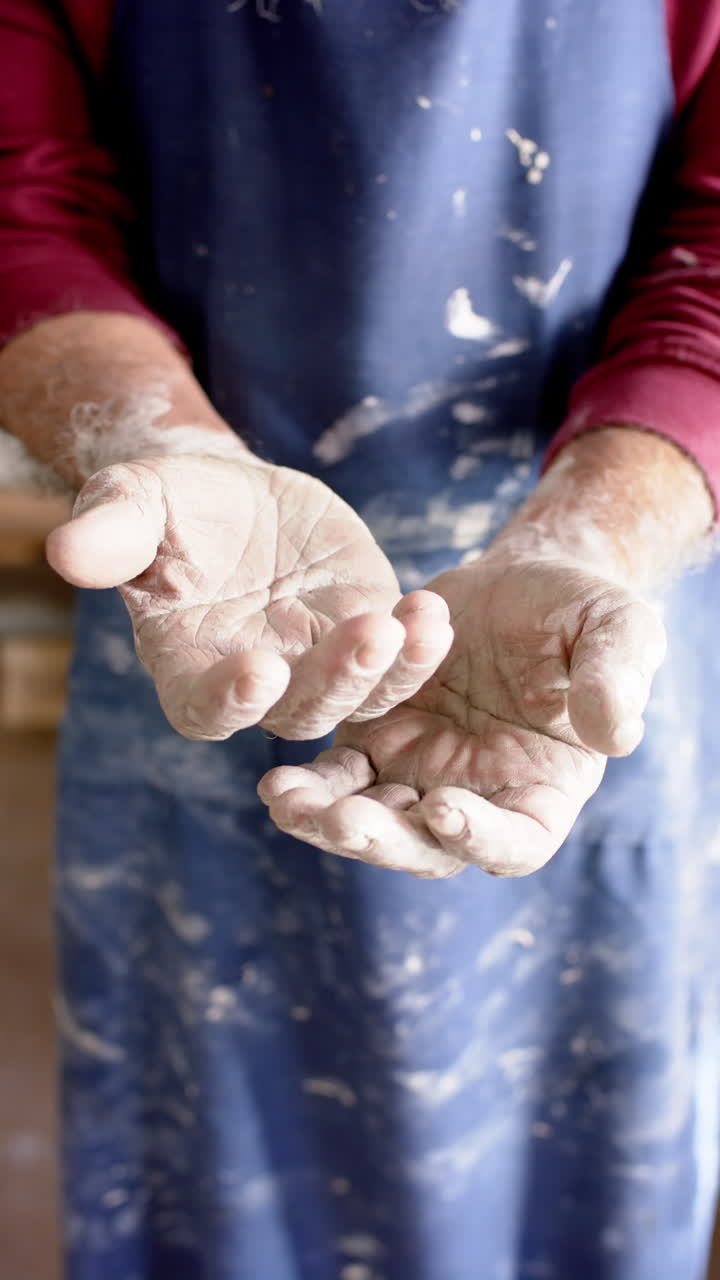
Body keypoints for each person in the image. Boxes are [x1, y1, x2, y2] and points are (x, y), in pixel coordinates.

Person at [1, 1, 719, 1276]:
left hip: (570, 626)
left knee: (573, 1175)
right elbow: (25, 195)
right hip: (210, 589)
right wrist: (155, 444)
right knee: (216, 1173)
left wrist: (593, 539)